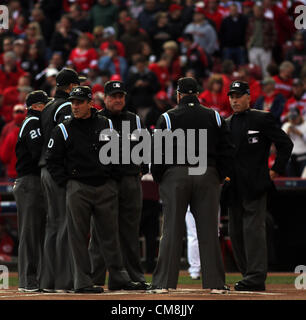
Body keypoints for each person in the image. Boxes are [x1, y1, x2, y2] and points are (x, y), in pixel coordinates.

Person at [46, 86, 143, 293]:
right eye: (73, 102)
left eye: (79, 102)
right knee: (78, 237)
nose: (75, 106)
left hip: (104, 185)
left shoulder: (105, 123)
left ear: (90, 103)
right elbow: (52, 160)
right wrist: (67, 182)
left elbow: (116, 152)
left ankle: (118, 278)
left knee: (110, 235)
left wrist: (112, 177)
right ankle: (82, 281)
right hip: (78, 186)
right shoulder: (63, 128)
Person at [150, 77, 234, 292]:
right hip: (207, 172)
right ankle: (215, 284)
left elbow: (158, 153)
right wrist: (219, 176)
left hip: (176, 173)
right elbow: (227, 149)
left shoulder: (167, 117)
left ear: (178, 94)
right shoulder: (214, 115)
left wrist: (163, 178)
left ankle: (163, 284)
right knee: (208, 230)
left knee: (171, 230)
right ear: (198, 94)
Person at [225, 80, 293, 291]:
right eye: (231, 96)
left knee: (252, 231)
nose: (234, 100)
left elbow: (285, 143)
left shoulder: (261, 118)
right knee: (235, 232)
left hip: (255, 185)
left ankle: (255, 277)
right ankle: (248, 275)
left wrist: (276, 169)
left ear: (248, 97)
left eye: (238, 96)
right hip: (233, 187)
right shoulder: (226, 123)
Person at [88, 80, 149, 290]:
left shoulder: (134, 119)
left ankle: (132, 277)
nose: (117, 100)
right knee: (100, 233)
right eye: (113, 96)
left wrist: (141, 168)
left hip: (130, 179)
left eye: (120, 96)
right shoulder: (96, 118)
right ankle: (94, 279)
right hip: (105, 181)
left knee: (130, 231)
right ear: (105, 98)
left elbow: (145, 147)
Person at [39, 68, 86, 292]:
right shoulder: (66, 106)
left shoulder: (47, 106)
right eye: (76, 85)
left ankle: (48, 282)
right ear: (70, 87)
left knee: (53, 226)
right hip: (58, 169)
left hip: (45, 168)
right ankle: (63, 281)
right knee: (66, 225)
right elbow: (68, 139)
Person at [13, 90, 51, 292]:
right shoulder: (32, 121)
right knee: (30, 232)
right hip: (29, 181)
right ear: (36, 105)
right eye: (45, 104)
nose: (47, 107)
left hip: (34, 181)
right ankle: (28, 280)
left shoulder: (35, 120)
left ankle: (37, 278)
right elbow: (38, 151)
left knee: (38, 232)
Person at [282, 108, 306, 177]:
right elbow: (281, 144)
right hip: (290, 159)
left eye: (295, 118)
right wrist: (287, 134)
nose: (293, 120)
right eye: (291, 118)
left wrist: (300, 134)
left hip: (303, 158)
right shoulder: (286, 125)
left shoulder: (305, 125)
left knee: (303, 183)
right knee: (290, 183)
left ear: (299, 116)